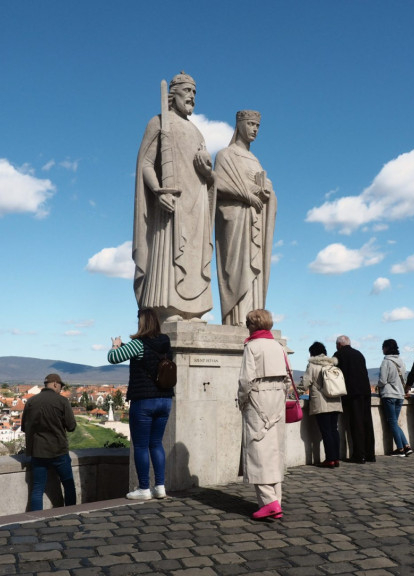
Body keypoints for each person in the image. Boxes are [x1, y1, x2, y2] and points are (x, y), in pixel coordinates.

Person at [132, 71, 215, 322]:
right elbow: (146, 163)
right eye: (187, 90)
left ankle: (193, 309)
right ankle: (169, 308)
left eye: (194, 92)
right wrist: (158, 191)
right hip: (172, 200)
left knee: (194, 255)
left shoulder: (197, 132)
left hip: (197, 202)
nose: (192, 96)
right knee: (170, 252)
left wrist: (207, 171)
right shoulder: (159, 122)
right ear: (173, 93)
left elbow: (208, 175)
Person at [214, 110, 277, 326]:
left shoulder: (255, 161)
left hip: (254, 220)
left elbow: (264, 191)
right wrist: (247, 195)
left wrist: (267, 191)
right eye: (250, 124)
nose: (255, 129)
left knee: (254, 269)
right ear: (239, 125)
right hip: (235, 220)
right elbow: (218, 185)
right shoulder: (225, 155)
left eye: (257, 126)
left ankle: (254, 318)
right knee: (236, 269)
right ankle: (237, 318)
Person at [108, 308, 173, 500]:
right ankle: (160, 487)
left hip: (144, 401)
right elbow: (148, 356)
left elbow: (113, 358)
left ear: (142, 322)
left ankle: (144, 488)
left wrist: (115, 345)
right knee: (156, 443)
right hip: (165, 399)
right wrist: (126, 346)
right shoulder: (165, 342)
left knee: (141, 446)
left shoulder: (139, 343)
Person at [237, 309, 291, 520]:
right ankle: (276, 501)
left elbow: (245, 380)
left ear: (253, 325)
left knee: (258, 451)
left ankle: (269, 503)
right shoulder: (278, 346)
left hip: (257, 401)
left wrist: (242, 400)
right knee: (274, 451)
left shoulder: (252, 346)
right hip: (277, 402)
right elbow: (288, 377)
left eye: (248, 323)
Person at [21, 373, 77, 511]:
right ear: (56, 384)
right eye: (61, 386)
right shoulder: (62, 401)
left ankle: (37, 518)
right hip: (59, 451)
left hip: (38, 452)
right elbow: (71, 426)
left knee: (37, 488)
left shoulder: (31, 401)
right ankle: (70, 513)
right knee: (68, 485)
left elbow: (24, 428)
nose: (61, 389)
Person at [297, 341, 342, 467]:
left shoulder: (312, 365)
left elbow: (305, 383)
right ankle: (336, 458)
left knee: (326, 431)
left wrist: (296, 393)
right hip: (335, 401)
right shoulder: (332, 364)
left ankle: (330, 459)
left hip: (321, 403)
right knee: (334, 430)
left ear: (312, 353)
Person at [334, 335, 375, 463]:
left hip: (352, 393)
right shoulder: (359, 354)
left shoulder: (339, 355)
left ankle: (359, 455)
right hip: (365, 391)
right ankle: (370, 454)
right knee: (367, 422)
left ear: (339, 345)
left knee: (356, 423)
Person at [377, 339, 413, 457]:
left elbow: (383, 380)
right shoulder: (401, 362)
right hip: (400, 395)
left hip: (389, 394)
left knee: (392, 422)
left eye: (383, 347)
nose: (382, 349)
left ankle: (400, 449)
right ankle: (406, 446)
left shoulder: (386, 362)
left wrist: (378, 386)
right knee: (394, 422)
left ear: (387, 348)